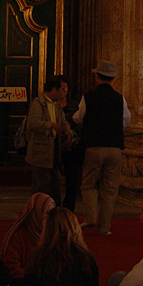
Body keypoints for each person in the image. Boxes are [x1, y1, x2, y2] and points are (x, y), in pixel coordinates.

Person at [74, 60, 131, 236]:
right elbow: (126, 120)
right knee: (110, 189)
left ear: (97, 77)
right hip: (114, 148)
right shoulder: (119, 98)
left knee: (89, 184)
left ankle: (91, 217)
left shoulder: (88, 97)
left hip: (94, 146)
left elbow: (78, 117)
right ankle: (104, 227)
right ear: (112, 79)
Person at [0, 191, 55, 286]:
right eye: (46, 212)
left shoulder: (52, 234)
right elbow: (11, 268)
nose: (49, 218)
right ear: (36, 212)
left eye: (52, 214)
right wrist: (37, 280)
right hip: (22, 284)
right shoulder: (18, 234)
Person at [25, 75, 71, 204]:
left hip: (54, 152)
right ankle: (39, 211)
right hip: (41, 153)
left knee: (55, 186)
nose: (63, 92)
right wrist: (50, 125)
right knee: (41, 187)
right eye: (61, 89)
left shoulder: (56, 105)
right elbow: (32, 123)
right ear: (54, 90)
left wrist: (68, 132)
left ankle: (54, 211)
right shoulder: (38, 103)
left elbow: (63, 121)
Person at [57, 75, 81, 210]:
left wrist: (71, 134)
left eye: (65, 87)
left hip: (70, 145)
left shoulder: (74, 105)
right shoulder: (51, 105)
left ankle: (69, 205)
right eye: (61, 87)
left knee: (71, 175)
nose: (63, 90)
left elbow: (80, 123)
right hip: (54, 144)